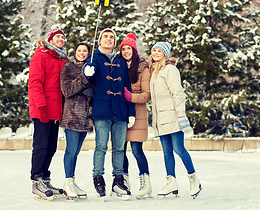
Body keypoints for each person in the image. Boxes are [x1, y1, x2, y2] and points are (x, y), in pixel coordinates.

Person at [83, 28, 136, 200]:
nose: (108, 39)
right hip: (102, 109)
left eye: (111, 37)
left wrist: (131, 111)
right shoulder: (94, 58)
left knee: (119, 148)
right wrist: (87, 72)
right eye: (105, 37)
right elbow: (88, 76)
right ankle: (98, 178)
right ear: (99, 41)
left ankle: (118, 180)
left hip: (120, 109)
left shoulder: (121, 61)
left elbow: (127, 87)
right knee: (101, 146)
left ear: (115, 42)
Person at [149, 42, 202, 198]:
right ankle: (171, 181)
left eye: (159, 51)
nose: (156, 53)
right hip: (161, 118)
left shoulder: (170, 70)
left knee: (179, 149)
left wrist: (181, 115)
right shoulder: (155, 72)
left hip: (172, 116)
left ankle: (193, 178)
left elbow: (177, 93)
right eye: (154, 51)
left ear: (165, 54)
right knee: (166, 152)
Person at [28, 28, 67, 200]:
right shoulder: (41, 56)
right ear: (50, 39)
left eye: (63, 37)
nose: (61, 39)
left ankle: (45, 178)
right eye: (58, 36)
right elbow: (35, 84)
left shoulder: (61, 59)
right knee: (41, 146)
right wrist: (42, 107)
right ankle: (36, 181)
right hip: (43, 109)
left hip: (56, 111)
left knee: (51, 147)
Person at [120, 33, 152, 199]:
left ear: (134, 50)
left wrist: (131, 96)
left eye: (129, 48)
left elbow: (147, 94)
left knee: (137, 151)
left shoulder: (143, 69)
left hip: (138, 115)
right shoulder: (118, 66)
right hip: (121, 114)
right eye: (123, 49)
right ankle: (123, 181)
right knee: (121, 150)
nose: (126, 51)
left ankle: (145, 182)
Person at [60, 43, 93, 199]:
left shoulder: (92, 68)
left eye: (85, 51)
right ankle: (68, 182)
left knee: (76, 152)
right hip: (72, 116)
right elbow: (66, 91)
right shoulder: (68, 68)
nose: (82, 53)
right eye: (79, 50)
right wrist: (83, 78)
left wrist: (92, 88)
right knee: (71, 151)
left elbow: (94, 90)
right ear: (75, 53)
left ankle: (72, 181)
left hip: (85, 118)